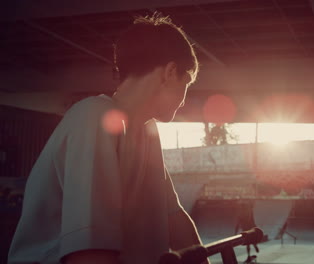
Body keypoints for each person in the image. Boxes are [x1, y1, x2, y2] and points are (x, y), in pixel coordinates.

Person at [8, 14, 209, 264]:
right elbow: (89, 255)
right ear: (170, 72)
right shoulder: (94, 116)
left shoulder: (148, 133)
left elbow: (174, 217)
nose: (184, 97)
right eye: (187, 81)